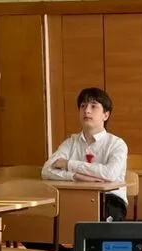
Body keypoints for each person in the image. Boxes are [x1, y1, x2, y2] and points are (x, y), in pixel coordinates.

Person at [42, 87, 128, 221]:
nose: (87, 110)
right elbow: (46, 170)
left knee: (100, 222)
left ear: (105, 115)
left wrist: (69, 164)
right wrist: (76, 176)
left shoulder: (117, 144)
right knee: (46, 218)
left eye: (93, 106)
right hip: (75, 196)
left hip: (109, 199)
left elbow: (110, 174)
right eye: (83, 106)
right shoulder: (71, 142)